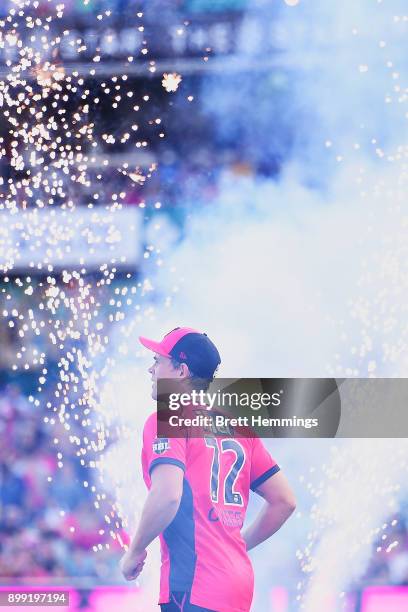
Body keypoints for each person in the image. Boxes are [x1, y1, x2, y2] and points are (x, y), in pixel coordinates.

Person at [120, 327, 296, 612]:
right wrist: (235, 546)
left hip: (194, 586)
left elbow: (167, 496)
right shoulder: (238, 426)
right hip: (237, 583)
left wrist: (135, 551)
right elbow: (285, 501)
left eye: (158, 360)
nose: (151, 370)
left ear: (181, 371)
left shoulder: (167, 418)